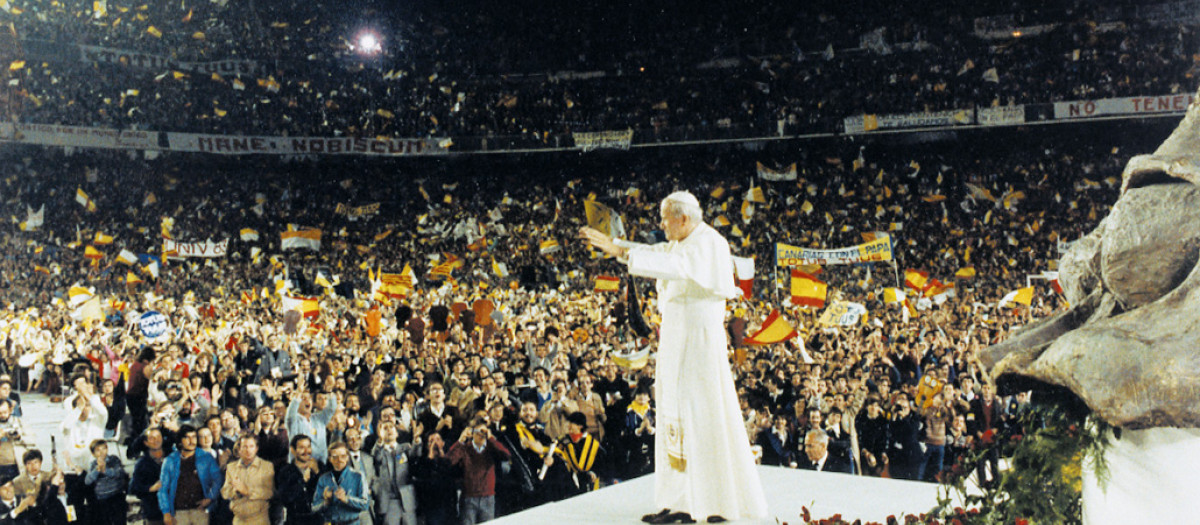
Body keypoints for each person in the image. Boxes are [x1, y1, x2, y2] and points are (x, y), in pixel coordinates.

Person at [581, 191, 767, 523]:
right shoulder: (683, 242)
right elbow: (658, 252)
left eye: (665, 218)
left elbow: (674, 265)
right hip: (676, 343)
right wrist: (618, 247)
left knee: (702, 417)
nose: (662, 223)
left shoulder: (710, 243)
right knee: (673, 415)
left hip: (699, 344)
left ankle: (716, 505)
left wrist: (622, 252)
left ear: (682, 218)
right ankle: (680, 503)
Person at [446, 418, 511, 525]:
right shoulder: (465, 448)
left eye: (484, 432)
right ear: (472, 433)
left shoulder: (491, 448)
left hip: (488, 497)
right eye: (478, 432)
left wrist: (491, 438)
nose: (481, 435)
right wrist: (460, 441)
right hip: (469, 498)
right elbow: (449, 460)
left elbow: (506, 455)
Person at [158, 425, 222, 525]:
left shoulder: (206, 457)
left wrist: (210, 498)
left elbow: (218, 479)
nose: (191, 441)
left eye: (194, 437)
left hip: (200, 510)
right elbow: (163, 488)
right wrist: (166, 512)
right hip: (179, 511)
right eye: (187, 437)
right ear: (180, 441)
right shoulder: (170, 460)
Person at [370, 421, 417, 525]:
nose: (388, 430)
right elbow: (376, 456)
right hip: (389, 500)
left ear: (397, 433)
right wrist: (380, 441)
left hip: (406, 498)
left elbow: (416, 452)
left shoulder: (405, 448)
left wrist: (417, 439)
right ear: (380, 433)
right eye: (385, 428)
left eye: (391, 427)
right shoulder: (379, 451)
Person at [311, 442, 369, 525]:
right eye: (335, 457)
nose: (339, 460)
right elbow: (314, 508)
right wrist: (326, 502)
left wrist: (346, 499)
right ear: (330, 459)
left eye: (343, 456)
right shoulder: (323, 479)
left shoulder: (358, 476)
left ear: (348, 457)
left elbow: (365, 504)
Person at [221, 434, 274, 525]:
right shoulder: (231, 467)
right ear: (239, 449)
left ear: (256, 448)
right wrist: (236, 492)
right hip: (238, 519)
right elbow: (225, 492)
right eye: (244, 447)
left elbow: (269, 493)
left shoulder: (266, 466)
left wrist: (247, 491)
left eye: (251, 446)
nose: (248, 450)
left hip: (259, 519)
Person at [274, 435, 324, 525]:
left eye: (308, 447)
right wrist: (303, 480)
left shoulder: (320, 467)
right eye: (301, 447)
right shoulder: (285, 471)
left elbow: (329, 491)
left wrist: (317, 472)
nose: (306, 451)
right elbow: (286, 498)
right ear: (293, 450)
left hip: (318, 521)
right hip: (296, 521)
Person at [129, 428, 169, 525]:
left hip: (175, 510)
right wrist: (150, 488)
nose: (156, 440)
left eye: (158, 437)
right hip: (154, 512)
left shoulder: (172, 456)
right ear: (146, 443)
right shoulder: (142, 464)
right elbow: (134, 488)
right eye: (152, 438)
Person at [85, 439, 129, 525]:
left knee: (120, 521)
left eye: (104, 448)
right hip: (102, 500)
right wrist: (97, 470)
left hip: (117, 496)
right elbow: (87, 481)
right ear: (93, 454)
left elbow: (119, 473)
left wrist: (105, 470)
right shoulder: (93, 464)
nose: (102, 452)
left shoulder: (114, 459)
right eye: (98, 450)